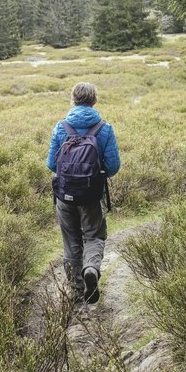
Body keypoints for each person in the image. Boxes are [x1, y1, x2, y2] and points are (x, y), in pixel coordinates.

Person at [47, 82, 120, 303]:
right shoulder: (104, 128)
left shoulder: (61, 127)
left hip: (65, 195)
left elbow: (52, 164)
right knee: (94, 235)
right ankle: (91, 268)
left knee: (71, 240)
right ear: (94, 100)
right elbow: (114, 167)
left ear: (73, 99)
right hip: (90, 196)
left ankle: (77, 290)